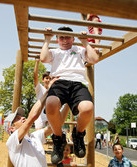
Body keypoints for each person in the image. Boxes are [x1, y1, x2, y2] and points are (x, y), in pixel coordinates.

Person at [40, 26, 99, 164]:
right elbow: (43, 58)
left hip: (78, 83)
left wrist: (85, 42)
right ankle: (58, 138)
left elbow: (94, 59)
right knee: (51, 104)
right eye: (61, 37)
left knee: (88, 107)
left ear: (73, 39)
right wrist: (47, 39)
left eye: (67, 37)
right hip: (59, 82)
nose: (65, 40)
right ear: (57, 40)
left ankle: (78, 134)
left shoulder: (79, 50)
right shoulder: (54, 52)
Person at [5, 78, 70, 167]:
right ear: (11, 129)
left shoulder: (35, 136)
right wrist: (49, 91)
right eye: (18, 118)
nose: (23, 117)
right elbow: (32, 117)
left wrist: (69, 102)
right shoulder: (12, 141)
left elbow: (58, 123)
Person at [33, 57, 51, 129]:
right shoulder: (39, 88)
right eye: (47, 78)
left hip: (50, 113)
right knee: (39, 132)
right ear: (43, 80)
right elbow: (35, 77)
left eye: (50, 78)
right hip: (40, 113)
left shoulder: (54, 89)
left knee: (53, 132)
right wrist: (37, 62)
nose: (48, 80)